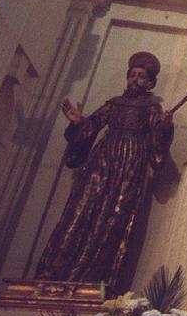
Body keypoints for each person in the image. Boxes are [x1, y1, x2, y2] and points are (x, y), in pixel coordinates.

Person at [35, 52, 174, 289]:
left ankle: (94, 281)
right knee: (80, 211)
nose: (135, 80)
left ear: (150, 82)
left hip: (130, 166)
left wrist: (164, 127)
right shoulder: (114, 103)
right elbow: (92, 126)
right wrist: (79, 122)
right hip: (102, 162)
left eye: (141, 77)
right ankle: (53, 276)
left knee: (115, 220)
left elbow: (157, 143)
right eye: (132, 75)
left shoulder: (152, 108)